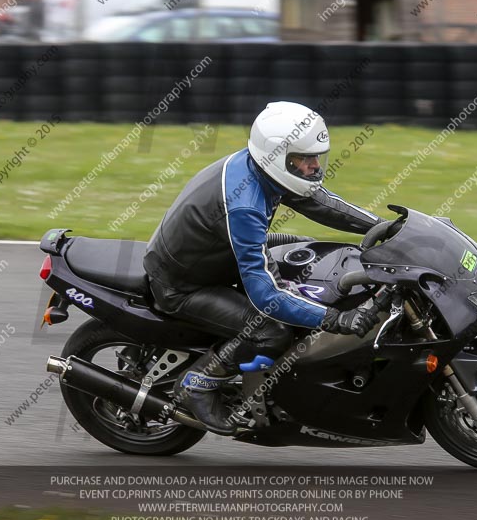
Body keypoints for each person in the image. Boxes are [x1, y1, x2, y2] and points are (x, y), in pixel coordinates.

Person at [143, 101, 384, 434]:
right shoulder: (244, 205)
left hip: (218, 256)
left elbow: (319, 202)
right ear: (278, 156)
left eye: (317, 157)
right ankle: (199, 383)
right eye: (306, 158)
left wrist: (385, 227)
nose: (315, 166)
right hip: (185, 284)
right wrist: (335, 320)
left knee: (309, 250)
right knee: (272, 329)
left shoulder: (262, 169)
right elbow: (264, 293)